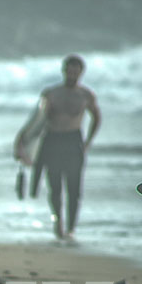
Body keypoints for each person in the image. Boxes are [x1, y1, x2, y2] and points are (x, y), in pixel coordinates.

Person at [37, 55, 102, 242]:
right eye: (69, 70)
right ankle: (58, 221)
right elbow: (38, 121)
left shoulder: (86, 95)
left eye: (76, 71)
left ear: (81, 72)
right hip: (53, 141)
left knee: (74, 189)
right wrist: (28, 145)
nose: (72, 75)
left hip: (74, 141)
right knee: (54, 186)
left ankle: (71, 227)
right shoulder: (51, 93)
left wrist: (88, 141)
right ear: (63, 70)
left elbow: (96, 117)